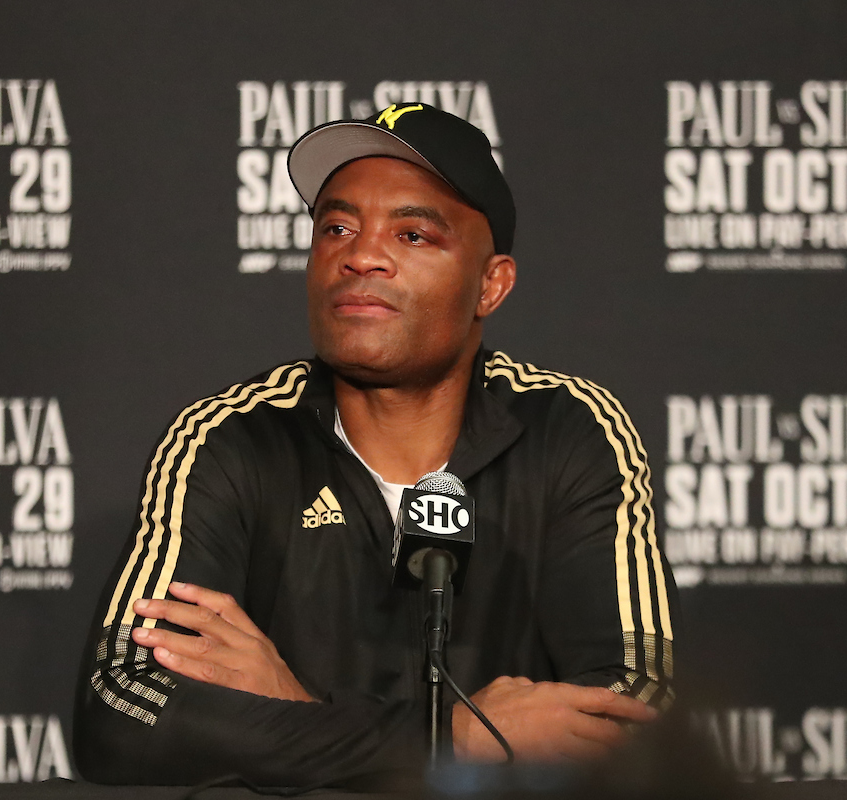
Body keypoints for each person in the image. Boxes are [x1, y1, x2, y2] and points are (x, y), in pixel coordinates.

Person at [74, 103, 676, 786]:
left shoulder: (571, 430)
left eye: (413, 235)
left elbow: (637, 711)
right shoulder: (230, 437)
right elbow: (119, 710)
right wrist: (449, 740)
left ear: (491, 285)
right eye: (337, 228)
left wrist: (296, 713)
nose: (359, 256)